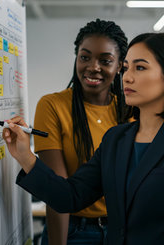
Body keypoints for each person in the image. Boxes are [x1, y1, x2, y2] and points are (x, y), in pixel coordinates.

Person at [3, 33, 164, 244]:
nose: (127, 76)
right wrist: (25, 156)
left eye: (140, 67)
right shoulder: (116, 139)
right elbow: (69, 196)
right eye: (126, 68)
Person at [33, 19, 129, 244]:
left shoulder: (130, 111)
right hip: (74, 232)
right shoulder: (52, 106)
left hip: (122, 231)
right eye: (85, 57)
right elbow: (57, 191)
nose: (93, 67)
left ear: (120, 67)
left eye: (105, 61)